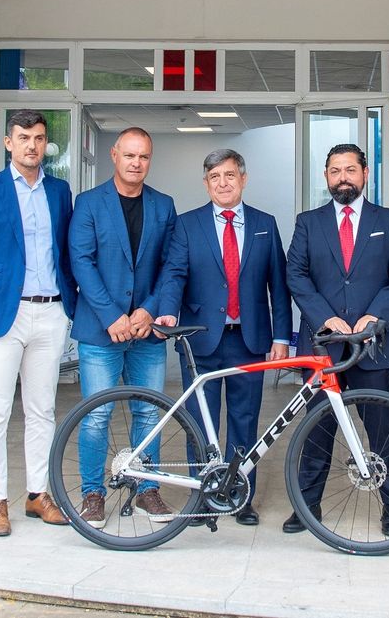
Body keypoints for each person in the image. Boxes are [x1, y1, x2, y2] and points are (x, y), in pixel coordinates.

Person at [0, 109, 77, 537]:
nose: (31, 145)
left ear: (46, 144)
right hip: (1, 316)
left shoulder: (60, 191)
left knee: (42, 409)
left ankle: (37, 494)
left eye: (39, 138)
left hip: (51, 312)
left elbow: (66, 251)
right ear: (8, 142)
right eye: (23, 137)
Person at [154, 149, 292, 527]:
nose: (223, 183)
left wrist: (282, 335)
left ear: (243, 179)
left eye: (229, 175)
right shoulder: (187, 225)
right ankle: (201, 496)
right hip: (201, 339)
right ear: (206, 183)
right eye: (215, 177)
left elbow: (277, 286)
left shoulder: (265, 224)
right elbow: (174, 273)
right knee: (200, 421)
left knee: (245, 420)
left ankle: (239, 496)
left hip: (249, 338)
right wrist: (168, 309)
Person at [284, 143, 389, 536]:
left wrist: (376, 315)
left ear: (365, 174)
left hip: (373, 346)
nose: (343, 177)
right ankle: (308, 508)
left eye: (350, 170)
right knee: (317, 428)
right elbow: (297, 275)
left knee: (381, 431)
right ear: (326, 177)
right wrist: (327, 318)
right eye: (335, 171)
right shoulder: (308, 222)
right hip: (325, 347)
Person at [68, 127, 177, 528]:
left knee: (149, 414)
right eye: (129, 155)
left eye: (143, 157)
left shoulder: (163, 205)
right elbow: (82, 261)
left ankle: (147, 489)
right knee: (97, 416)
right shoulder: (89, 203)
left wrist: (149, 310)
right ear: (114, 155)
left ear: (150, 159)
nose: (136, 163)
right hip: (101, 332)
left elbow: (171, 264)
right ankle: (92, 494)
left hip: (147, 333)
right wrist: (112, 316)